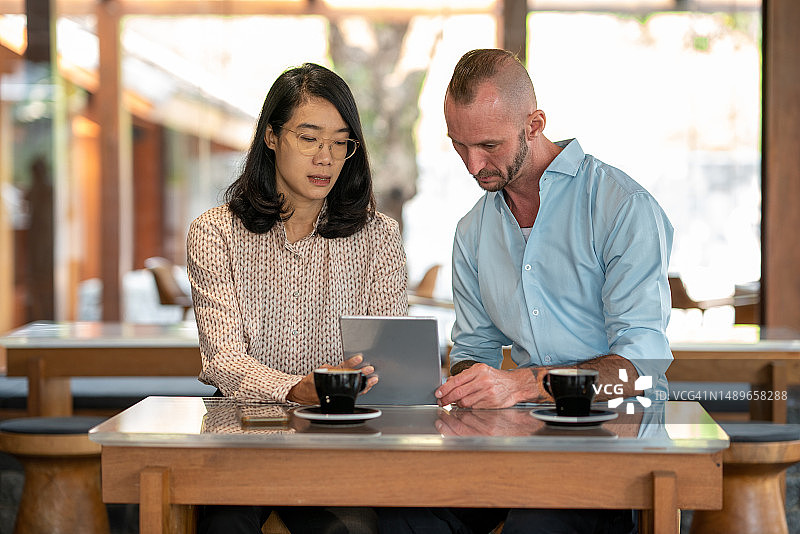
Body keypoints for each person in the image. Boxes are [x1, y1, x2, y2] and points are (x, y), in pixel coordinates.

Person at [383, 49, 673, 534]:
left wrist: (520, 383)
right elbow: (474, 350)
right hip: (515, 441)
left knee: (536, 525)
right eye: (459, 145)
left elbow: (639, 369)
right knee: (403, 516)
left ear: (534, 124)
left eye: (489, 145)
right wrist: (466, 383)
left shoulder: (622, 208)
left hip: (615, 443)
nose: (473, 165)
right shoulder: (472, 231)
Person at [187, 62, 407, 534]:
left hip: (342, 441)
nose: (325, 158)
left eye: (340, 141)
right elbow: (222, 361)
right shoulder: (215, 233)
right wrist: (293, 389)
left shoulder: (378, 236)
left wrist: (368, 378)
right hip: (246, 436)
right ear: (271, 136)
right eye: (309, 138)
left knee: (350, 531)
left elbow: (391, 357)